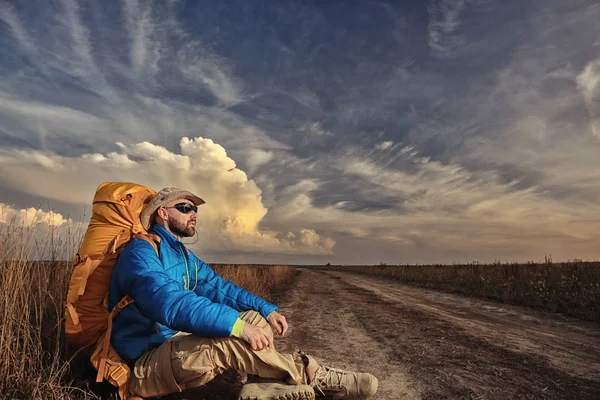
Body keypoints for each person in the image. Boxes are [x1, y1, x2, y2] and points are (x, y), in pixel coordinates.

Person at [108, 187, 378, 400]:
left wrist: (266, 309)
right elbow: (169, 302)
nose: (194, 214)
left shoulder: (183, 255)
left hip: (172, 349)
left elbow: (220, 289)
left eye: (195, 209)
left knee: (253, 319)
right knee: (230, 336)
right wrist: (236, 326)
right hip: (143, 364)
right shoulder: (141, 253)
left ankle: (261, 388)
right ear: (162, 214)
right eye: (185, 207)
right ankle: (311, 375)